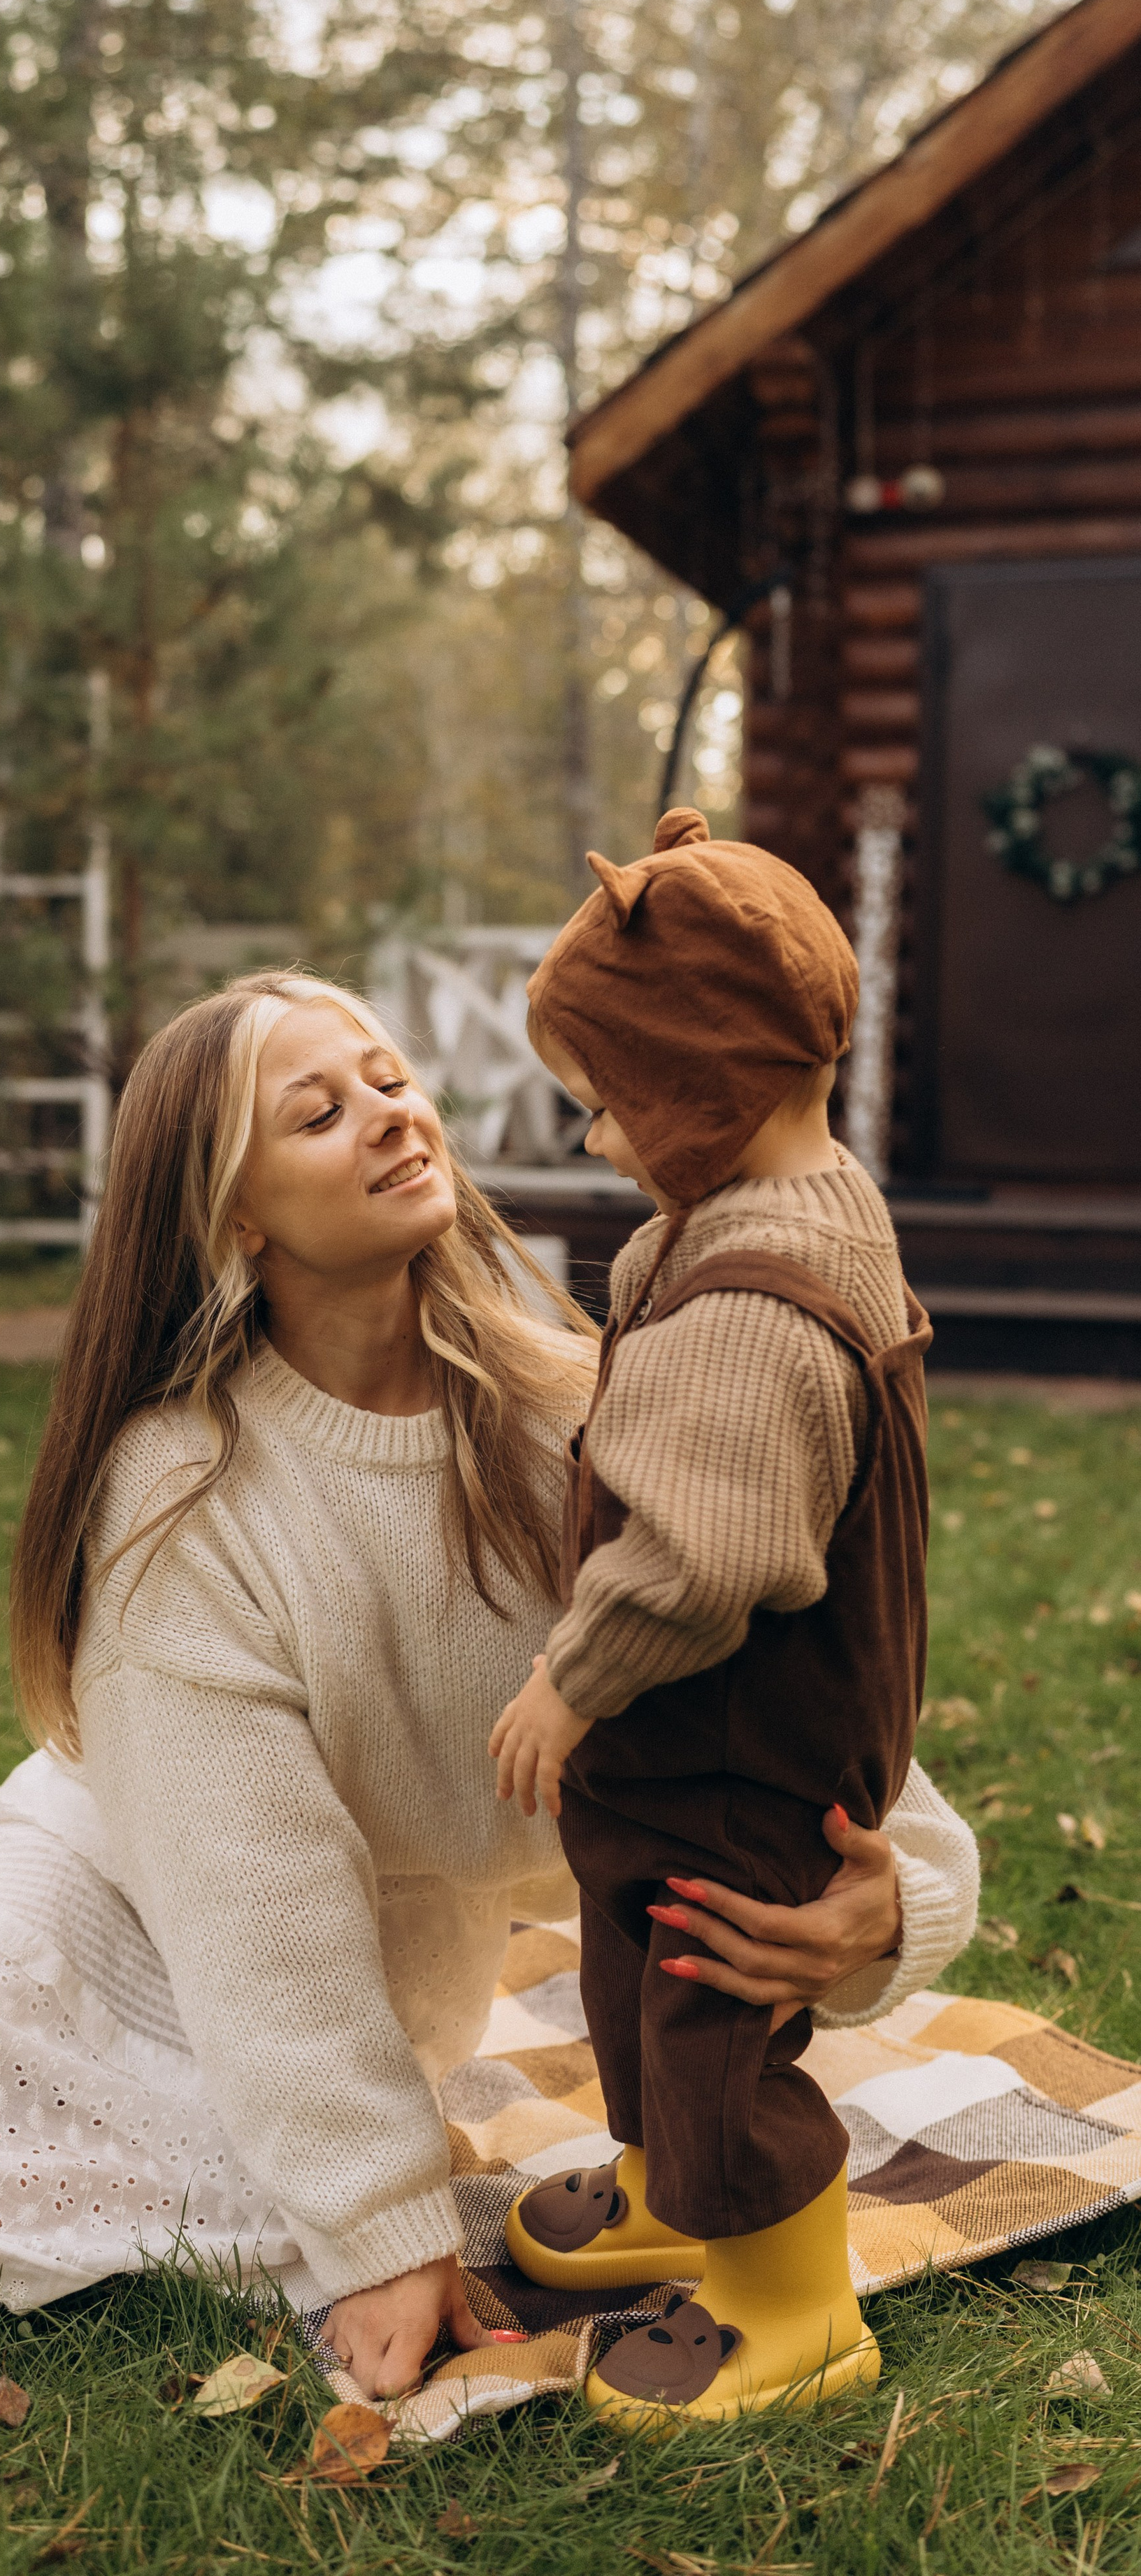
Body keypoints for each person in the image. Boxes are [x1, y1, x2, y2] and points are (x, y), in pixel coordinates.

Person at [0, 971, 976, 2399]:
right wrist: (385, 2231)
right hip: (121, 1895)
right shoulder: (178, 1495)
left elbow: (786, 1695)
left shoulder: (585, 1408)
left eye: (391, 1081)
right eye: (318, 1109)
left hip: (366, 1967)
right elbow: (252, 1897)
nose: (390, 1116)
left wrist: (891, 1905)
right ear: (234, 1215)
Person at [491, 809, 928, 2429]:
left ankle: (782, 2298)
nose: (597, 1139)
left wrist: (565, 1683)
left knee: (705, 2011)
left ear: (701, 1091)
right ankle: (667, 2184)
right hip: (697, 1744)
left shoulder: (746, 1315)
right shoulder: (779, 1206)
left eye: (606, 1105)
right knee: (628, 1972)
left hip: (731, 1744)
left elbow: (695, 1565)